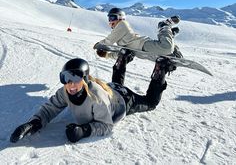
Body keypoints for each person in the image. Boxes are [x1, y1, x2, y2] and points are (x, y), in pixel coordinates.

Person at [10, 57, 176, 144]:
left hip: (124, 99)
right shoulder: (66, 91)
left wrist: (84, 131)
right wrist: (32, 124)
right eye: (65, 78)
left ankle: (160, 72)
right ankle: (122, 59)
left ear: (85, 79)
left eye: (75, 77)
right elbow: (49, 109)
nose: (70, 83)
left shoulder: (96, 99)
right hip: (111, 88)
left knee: (150, 103)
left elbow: (107, 125)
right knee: (116, 83)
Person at [94, 8, 181, 85]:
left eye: (112, 17)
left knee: (166, 48)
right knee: (172, 58)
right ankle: (170, 35)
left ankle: (164, 26)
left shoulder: (122, 24)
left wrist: (99, 45)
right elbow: (121, 52)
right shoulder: (119, 36)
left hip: (143, 44)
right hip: (142, 50)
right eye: (109, 18)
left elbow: (109, 41)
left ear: (120, 17)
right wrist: (107, 55)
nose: (110, 21)